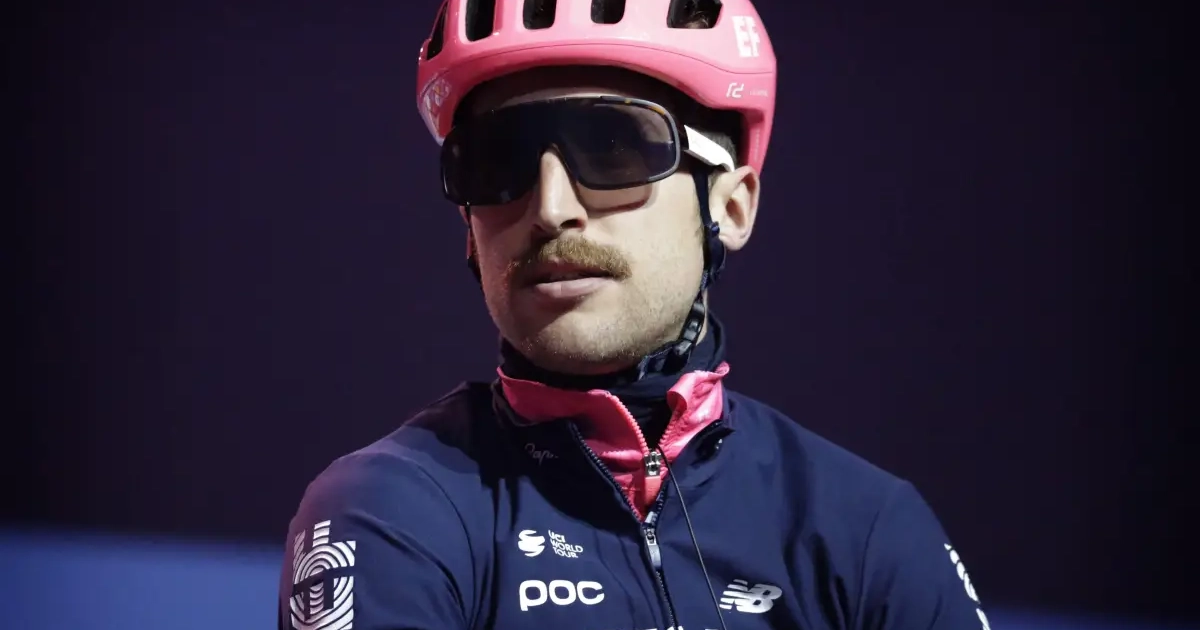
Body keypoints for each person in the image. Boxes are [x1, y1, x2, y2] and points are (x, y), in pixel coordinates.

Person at [278, 1, 991, 629]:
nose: (551, 208)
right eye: (497, 162)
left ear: (731, 206)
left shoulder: (865, 527)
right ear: (469, 230)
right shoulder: (386, 507)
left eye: (613, 147)